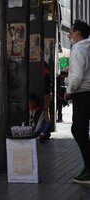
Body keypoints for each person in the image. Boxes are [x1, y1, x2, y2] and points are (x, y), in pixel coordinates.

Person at [64, 20, 90, 184]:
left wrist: (68, 92)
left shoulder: (78, 49)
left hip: (83, 94)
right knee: (81, 129)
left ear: (78, 33)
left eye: (71, 31)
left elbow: (77, 76)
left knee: (78, 129)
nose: (69, 35)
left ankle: (89, 169)